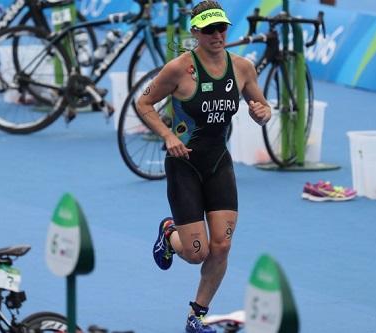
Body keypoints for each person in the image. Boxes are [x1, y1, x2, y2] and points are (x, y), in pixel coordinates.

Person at [135, 1, 271, 332]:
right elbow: (144, 103)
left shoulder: (242, 68)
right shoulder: (178, 69)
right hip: (184, 165)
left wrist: (263, 112)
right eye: (208, 29)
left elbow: (262, 104)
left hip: (218, 163)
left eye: (221, 27)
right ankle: (170, 233)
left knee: (222, 247)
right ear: (195, 32)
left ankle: (197, 315)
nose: (217, 35)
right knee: (198, 252)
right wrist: (167, 135)